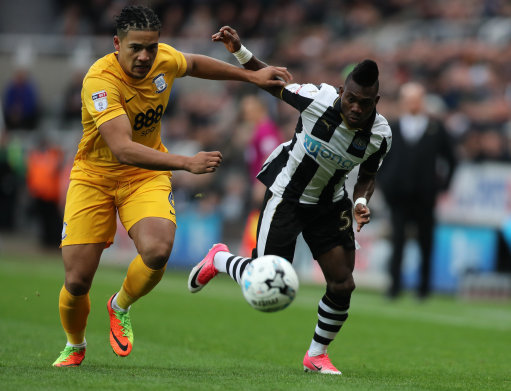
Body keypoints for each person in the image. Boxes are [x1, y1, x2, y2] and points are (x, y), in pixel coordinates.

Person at [52, 6, 291, 367]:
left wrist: (252, 77)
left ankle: (119, 306)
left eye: (151, 46)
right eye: (135, 48)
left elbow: (193, 64)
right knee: (78, 280)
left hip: (143, 176)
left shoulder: (162, 59)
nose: (145, 56)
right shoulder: (100, 81)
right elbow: (122, 148)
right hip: (95, 176)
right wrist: (185, 162)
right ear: (117, 44)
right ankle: (75, 344)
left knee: (158, 250)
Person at [188, 26, 392, 375]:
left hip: (330, 203)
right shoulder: (317, 98)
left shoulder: (380, 135)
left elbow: (368, 177)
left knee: (343, 283)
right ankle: (219, 258)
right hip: (287, 195)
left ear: (377, 101)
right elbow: (269, 79)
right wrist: (240, 51)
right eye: (351, 99)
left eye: (365, 103)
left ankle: (316, 354)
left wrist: (360, 202)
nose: (356, 108)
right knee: (264, 276)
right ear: (342, 91)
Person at [378, 82, 457, 300]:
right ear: (403, 102)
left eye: (416, 99)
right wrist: (384, 183)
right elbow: (379, 159)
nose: (413, 104)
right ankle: (394, 287)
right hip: (398, 195)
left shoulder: (435, 128)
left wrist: (443, 185)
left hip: (425, 195)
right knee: (398, 241)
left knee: (425, 242)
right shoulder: (391, 127)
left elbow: (451, 159)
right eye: (409, 99)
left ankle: (424, 288)